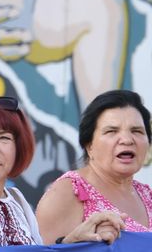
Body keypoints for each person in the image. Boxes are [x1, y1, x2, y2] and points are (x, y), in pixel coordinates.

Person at [36, 90, 150, 243]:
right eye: (111, 131)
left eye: (137, 131)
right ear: (89, 146)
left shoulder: (147, 194)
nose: (127, 140)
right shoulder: (68, 192)